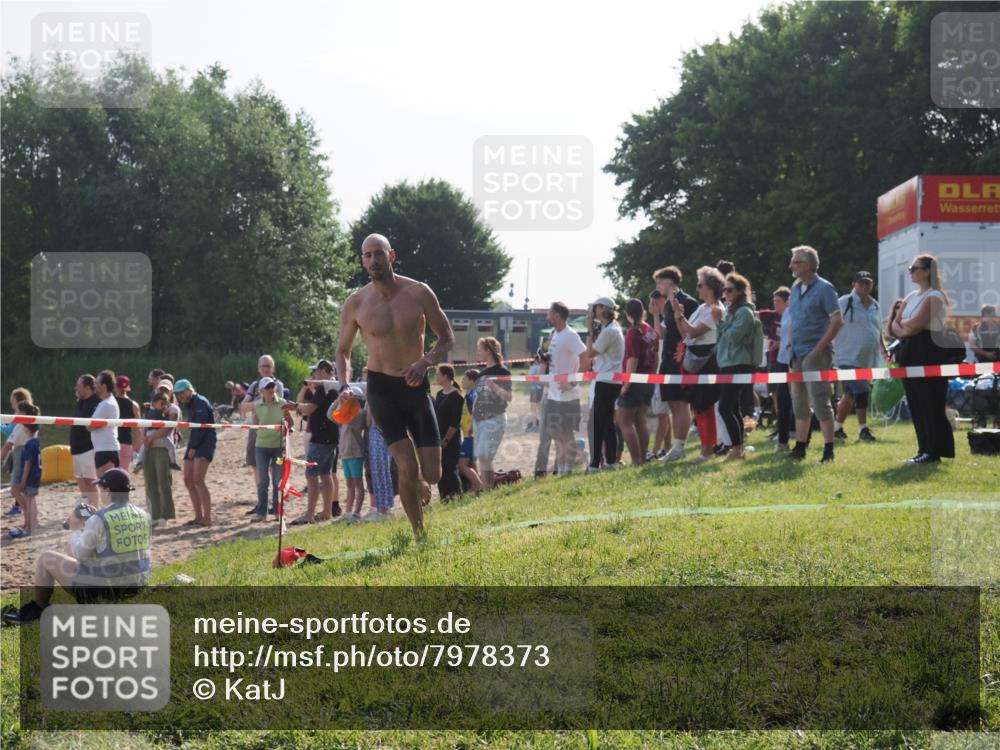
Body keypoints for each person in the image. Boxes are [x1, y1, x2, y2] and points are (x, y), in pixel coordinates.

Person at [335, 233, 455, 540]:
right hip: (381, 388)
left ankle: (421, 481)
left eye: (378, 253)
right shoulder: (356, 303)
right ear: (362, 261)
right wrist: (345, 385)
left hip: (415, 385)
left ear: (391, 255)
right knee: (406, 467)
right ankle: (419, 536)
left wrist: (425, 361)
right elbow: (343, 351)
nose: (373, 260)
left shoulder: (419, 292)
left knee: (432, 473)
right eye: (367, 255)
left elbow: (446, 337)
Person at [3, 469, 151, 625]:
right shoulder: (143, 514)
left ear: (107, 490)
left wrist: (77, 529)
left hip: (107, 591)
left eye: (101, 489)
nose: (100, 493)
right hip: (137, 585)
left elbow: (81, 555)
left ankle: (38, 610)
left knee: (46, 559)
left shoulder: (100, 518)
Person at [887, 254, 956, 464]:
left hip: (929, 351)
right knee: (916, 402)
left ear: (927, 271)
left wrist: (905, 326)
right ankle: (923, 448)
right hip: (909, 350)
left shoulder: (934, 296)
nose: (911, 272)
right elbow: (894, 325)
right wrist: (904, 327)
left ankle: (934, 451)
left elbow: (916, 325)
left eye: (914, 268)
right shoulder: (910, 297)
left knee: (930, 402)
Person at [786, 246, 844, 463]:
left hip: (815, 353)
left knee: (820, 400)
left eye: (795, 262)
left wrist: (819, 349)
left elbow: (837, 320)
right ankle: (800, 447)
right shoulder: (795, 287)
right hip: (796, 352)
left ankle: (829, 450)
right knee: (799, 402)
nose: (791, 265)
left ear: (808, 265)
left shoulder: (824, 288)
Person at [675, 267, 726, 463]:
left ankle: (707, 450)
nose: (697, 289)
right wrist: (679, 316)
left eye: (700, 285)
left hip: (707, 362)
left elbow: (694, 332)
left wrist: (680, 316)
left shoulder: (717, 309)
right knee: (697, 407)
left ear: (712, 287)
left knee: (705, 407)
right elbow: (685, 333)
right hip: (694, 360)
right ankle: (706, 449)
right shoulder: (702, 308)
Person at [649, 266, 699, 461]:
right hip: (667, 360)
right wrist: (655, 314)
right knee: (671, 402)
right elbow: (660, 334)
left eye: (660, 282)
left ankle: (679, 447)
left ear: (670, 281)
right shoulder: (668, 306)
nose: (658, 286)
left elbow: (688, 334)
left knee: (681, 403)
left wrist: (680, 315)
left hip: (681, 359)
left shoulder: (688, 302)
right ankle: (676, 448)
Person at [285, 360, 342, 523]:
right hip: (331, 436)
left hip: (320, 437)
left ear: (324, 370)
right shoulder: (336, 385)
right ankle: (326, 512)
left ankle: (310, 515)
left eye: (316, 371)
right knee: (326, 475)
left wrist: (295, 406)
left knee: (312, 476)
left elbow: (310, 409)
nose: (314, 375)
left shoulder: (324, 387)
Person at [833, 271, 887, 443]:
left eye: (868, 283)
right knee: (862, 389)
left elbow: (878, 330)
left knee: (850, 393)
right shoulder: (844, 302)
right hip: (847, 356)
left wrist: (884, 350)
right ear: (853, 285)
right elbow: (829, 322)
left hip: (868, 359)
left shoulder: (875, 305)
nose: (865, 286)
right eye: (861, 283)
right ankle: (863, 429)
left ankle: (837, 428)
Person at [714, 273, 758, 461]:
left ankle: (736, 448)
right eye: (724, 290)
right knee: (731, 408)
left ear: (741, 292)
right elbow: (721, 338)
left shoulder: (745, 312)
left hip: (738, 364)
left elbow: (735, 337)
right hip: (727, 363)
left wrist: (718, 322)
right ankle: (738, 449)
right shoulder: (733, 311)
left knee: (724, 408)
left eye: (730, 290)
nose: (726, 293)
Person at [544, 302, 587, 475]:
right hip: (554, 391)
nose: (547, 317)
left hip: (568, 392)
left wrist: (572, 382)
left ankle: (567, 470)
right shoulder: (555, 334)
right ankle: (563, 467)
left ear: (557, 315)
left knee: (566, 432)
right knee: (555, 432)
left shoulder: (570, 334)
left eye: (549, 313)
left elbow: (585, 358)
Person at [615, 299, 658, 466]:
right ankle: (642, 458)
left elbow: (633, 359)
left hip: (636, 379)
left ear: (628, 314)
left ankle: (636, 460)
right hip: (649, 379)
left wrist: (626, 384)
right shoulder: (650, 330)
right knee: (640, 420)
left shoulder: (633, 332)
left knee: (624, 421)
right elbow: (656, 357)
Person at [585, 297, 625, 471]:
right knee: (601, 422)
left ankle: (606, 462)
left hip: (606, 381)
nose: (592, 311)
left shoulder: (609, 331)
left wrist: (588, 330)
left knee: (603, 423)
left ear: (603, 309)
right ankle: (601, 461)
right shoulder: (610, 328)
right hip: (608, 380)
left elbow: (590, 353)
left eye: (594, 308)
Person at [173, 379, 216, 526]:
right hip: (195, 441)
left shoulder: (200, 402)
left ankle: (207, 517)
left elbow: (202, 428)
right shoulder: (190, 404)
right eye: (178, 394)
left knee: (198, 480)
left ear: (189, 390)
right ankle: (198, 516)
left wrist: (193, 448)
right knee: (188, 480)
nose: (180, 396)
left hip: (205, 442)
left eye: (181, 393)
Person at [471, 337, 513, 488]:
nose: (478, 352)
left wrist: (495, 387)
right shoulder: (483, 373)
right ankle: (487, 489)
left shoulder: (502, 371)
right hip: (478, 420)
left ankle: (488, 489)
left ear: (488, 351)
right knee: (482, 458)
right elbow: (478, 396)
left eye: (480, 349)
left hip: (494, 418)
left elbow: (509, 397)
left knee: (485, 456)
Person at [240, 355, 287, 487]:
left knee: (275, 467)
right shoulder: (254, 385)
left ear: (273, 369)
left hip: (273, 432)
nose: (266, 369)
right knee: (255, 464)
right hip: (255, 429)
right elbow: (244, 405)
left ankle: (276, 497)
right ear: (258, 369)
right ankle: (261, 498)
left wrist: (255, 406)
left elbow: (276, 404)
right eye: (263, 366)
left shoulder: (278, 385)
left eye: (268, 366)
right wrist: (254, 406)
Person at [251, 377, 292, 522]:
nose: (270, 390)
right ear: (261, 391)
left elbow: (290, 422)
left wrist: (288, 428)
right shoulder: (257, 406)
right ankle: (261, 512)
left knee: (277, 481)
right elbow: (255, 426)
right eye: (267, 388)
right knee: (263, 481)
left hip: (278, 448)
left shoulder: (282, 403)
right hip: (261, 447)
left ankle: (278, 512)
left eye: (272, 387)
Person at [142, 392, 177, 530]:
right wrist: (145, 440)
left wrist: (151, 438)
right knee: (150, 483)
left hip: (162, 448)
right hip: (149, 448)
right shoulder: (150, 412)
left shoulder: (170, 411)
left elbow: (168, 428)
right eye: (161, 403)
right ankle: (154, 515)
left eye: (165, 403)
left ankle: (166, 515)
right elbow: (145, 428)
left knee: (163, 482)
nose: (163, 406)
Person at [8, 403, 42, 538]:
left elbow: (27, 464)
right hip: (36, 476)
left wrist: (22, 481)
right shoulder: (35, 441)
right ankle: (29, 525)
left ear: (26, 429)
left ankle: (29, 527)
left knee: (29, 501)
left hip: (30, 477)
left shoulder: (28, 445)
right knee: (30, 500)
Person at [335, 388, 367, 524]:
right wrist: (338, 401)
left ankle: (356, 513)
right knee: (349, 484)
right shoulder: (345, 412)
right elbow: (330, 415)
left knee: (358, 483)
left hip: (355, 452)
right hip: (346, 453)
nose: (344, 399)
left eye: (348, 397)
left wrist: (344, 402)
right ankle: (348, 512)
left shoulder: (358, 413)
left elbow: (345, 419)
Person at [2, 388, 35, 517]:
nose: (11, 400)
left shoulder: (21, 418)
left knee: (17, 484)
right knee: (19, 482)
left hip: (19, 449)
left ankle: (23, 510)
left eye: (12, 398)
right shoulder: (24, 415)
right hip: (18, 448)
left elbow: (11, 432)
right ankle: (23, 510)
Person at [434, 365, 465, 499]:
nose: (436, 377)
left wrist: (446, 440)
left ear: (445, 376)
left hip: (450, 440)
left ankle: (457, 496)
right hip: (438, 437)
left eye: (438, 374)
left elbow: (455, 422)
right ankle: (444, 497)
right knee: (440, 469)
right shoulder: (439, 394)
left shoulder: (456, 396)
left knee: (450, 468)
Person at [88, 370, 121, 495]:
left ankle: (111, 513)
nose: (94, 385)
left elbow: (90, 426)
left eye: (97, 383)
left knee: (108, 488)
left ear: (104, 386)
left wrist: (92, 425)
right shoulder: (106, 403)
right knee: (107, 488)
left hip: (106, 449)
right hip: (104, 448)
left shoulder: (106, 404)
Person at [70, 374, 101, 505]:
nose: (76, 388)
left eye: (79, 385)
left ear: (87, 388)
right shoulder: (81, 402)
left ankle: (94, 510)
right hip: (76, 448)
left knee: (90, 482)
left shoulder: (96, 402)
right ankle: (87, 510)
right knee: (81, 483)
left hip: (88, 448)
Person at [771, 287, 794, 452]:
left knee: (799, 401)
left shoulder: (794, 313)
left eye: (778, 301)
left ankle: (800, 439)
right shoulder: (784, 315)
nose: (775, 304)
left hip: (794, 362)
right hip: (782, 361)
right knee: (782, 401)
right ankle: (783, 440)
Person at [458, 369, 484, 492]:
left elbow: (478, 412)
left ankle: (479, 486)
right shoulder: (468, 394)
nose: (462, 381)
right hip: (470, 435)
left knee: (462, 464)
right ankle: (476, 486)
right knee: (472, 463)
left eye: (464, 379)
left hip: (472, 436)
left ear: (472, 381)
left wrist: (471, 427)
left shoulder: (473, 395)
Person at [114, 375, 142, 469]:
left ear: (115, 386)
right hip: (126, 443)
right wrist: (136, 449)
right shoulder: (134, 405)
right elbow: (138, 429)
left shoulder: (109, 402)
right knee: (123, 474)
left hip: (111, 442)